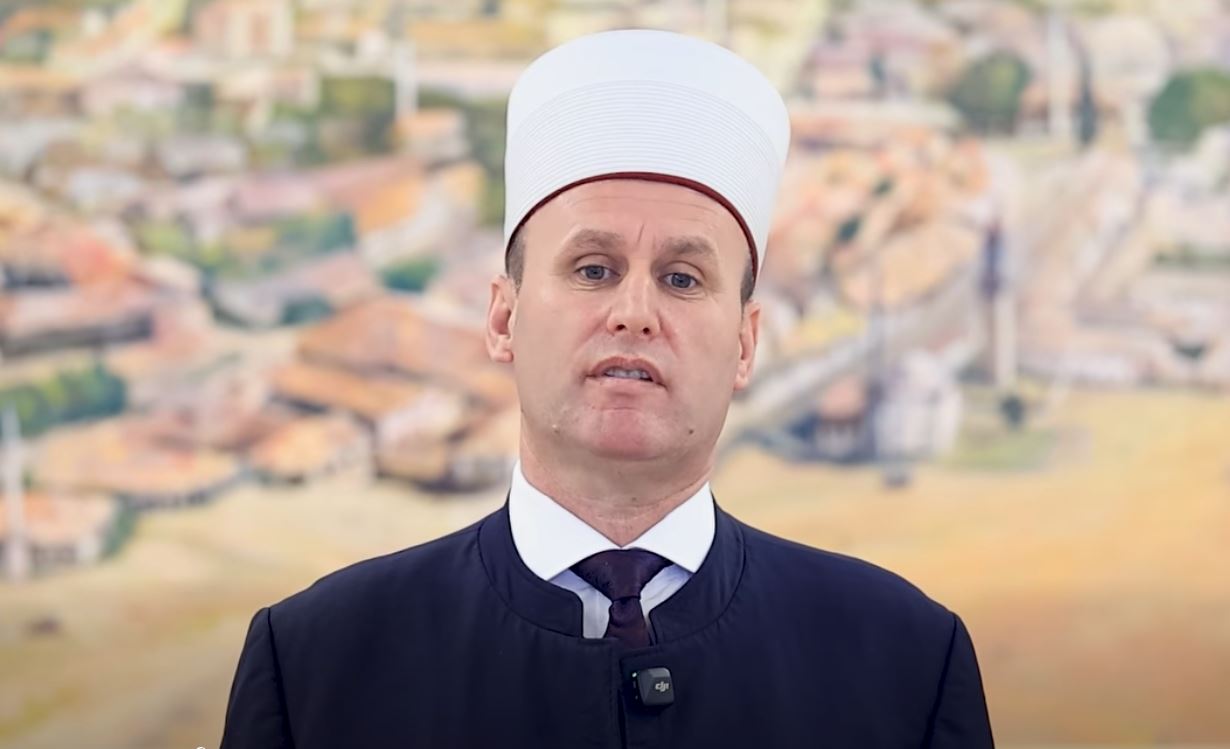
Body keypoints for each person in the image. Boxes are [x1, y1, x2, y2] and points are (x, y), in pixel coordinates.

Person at [220, 29, 994, 748]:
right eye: (593, 269)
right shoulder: (316, 664)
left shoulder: (906, 662)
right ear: (503, 318)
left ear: (745, 344)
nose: (634, 312)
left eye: (682, 278)